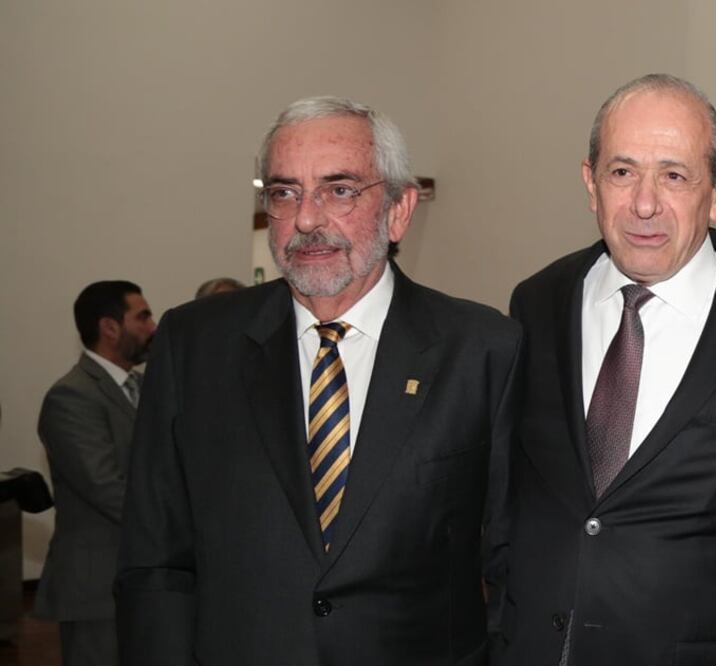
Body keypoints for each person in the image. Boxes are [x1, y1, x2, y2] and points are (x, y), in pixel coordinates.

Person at [116, 97, 521, 665]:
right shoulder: (194, 345)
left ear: (400, 209)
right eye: (284, 192)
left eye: (339, 190)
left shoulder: (484, 349)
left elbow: (513, 564)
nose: (306, 218)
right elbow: (156, 559)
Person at [493, 74, 716, 666]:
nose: (644, 203)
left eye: (674, 176)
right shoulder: (537, 303)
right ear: (590, 183)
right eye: (622, 172)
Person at [36, 280, 156, 666]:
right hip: (97, 586)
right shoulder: (72, 396)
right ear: (110, 327)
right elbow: (106, 487)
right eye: (143, 316)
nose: (152, 326)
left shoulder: (140, 385)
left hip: (140, 576)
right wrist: (180, 526)